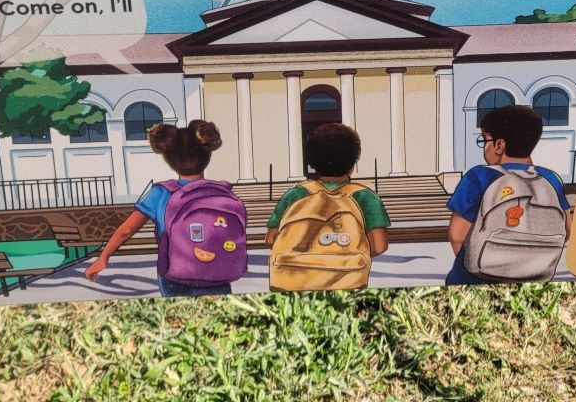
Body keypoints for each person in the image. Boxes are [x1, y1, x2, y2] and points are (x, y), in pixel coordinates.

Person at [85, 120, 247, 297]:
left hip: (175, 277)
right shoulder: (223, 193)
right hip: (219, 275)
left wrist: (103, 257)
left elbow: (127, 229)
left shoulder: (161, 193)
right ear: (206, 157)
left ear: (170, 160)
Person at [445, 104, 572, 286]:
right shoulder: (551, 178)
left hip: (476, 278)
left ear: (499, 145)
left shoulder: (479, 176)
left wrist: (478, 267)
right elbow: (566, 229)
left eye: (485, 140)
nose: (484, 146)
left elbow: (457, 235)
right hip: (536, 275)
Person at [265, 123, 390, 291]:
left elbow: (271, 239)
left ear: (312, 163)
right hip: (348, 281)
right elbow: (379, 245)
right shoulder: (365, 197)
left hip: (292, 282)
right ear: (352, 165)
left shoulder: (295, 195)